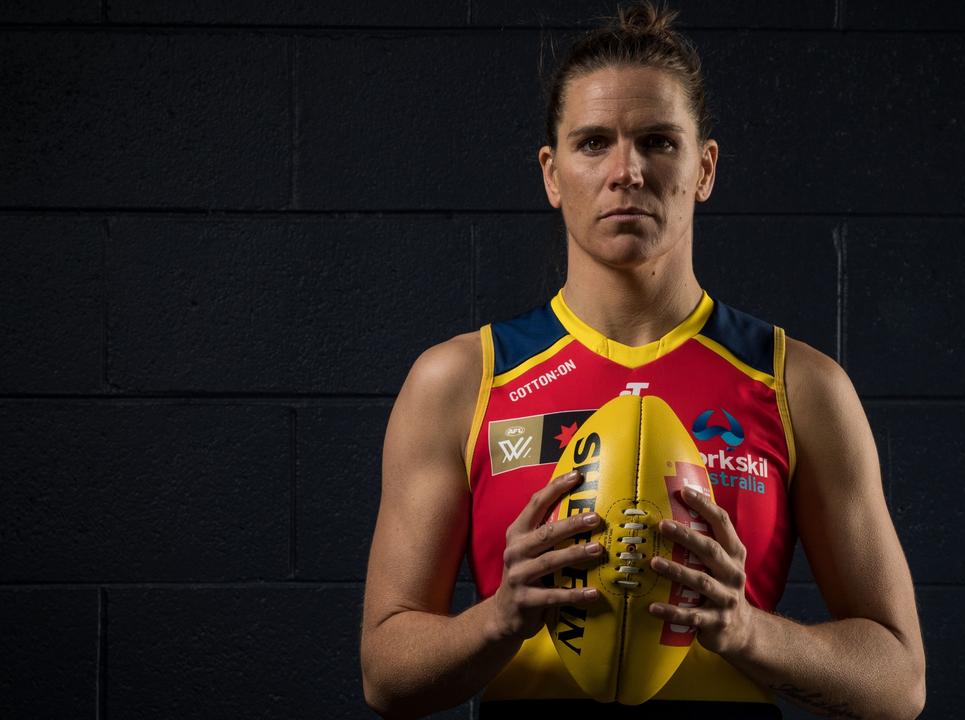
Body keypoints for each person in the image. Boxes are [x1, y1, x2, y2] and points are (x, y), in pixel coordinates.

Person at [360, 2, 926, 718]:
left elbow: (900, 682)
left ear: (705, 168)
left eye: (658, 141)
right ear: (552, 174)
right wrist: (500, 617)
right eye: (593, 143)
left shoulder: (798, 385)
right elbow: (385, 673)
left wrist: (748, 633)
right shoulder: (462, 380)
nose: (627, 171)